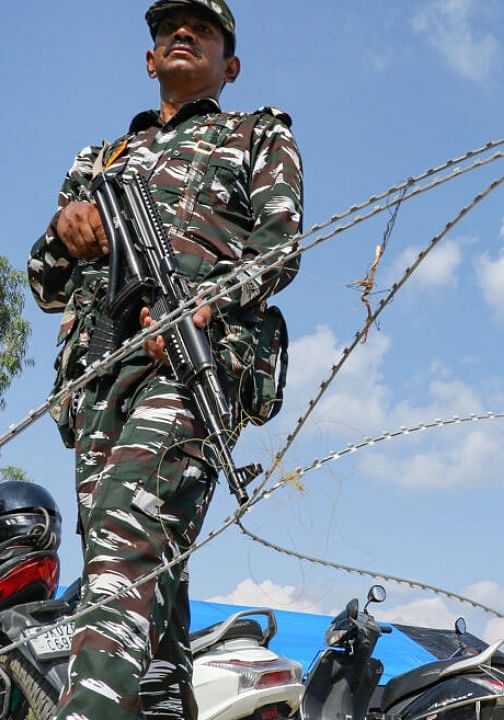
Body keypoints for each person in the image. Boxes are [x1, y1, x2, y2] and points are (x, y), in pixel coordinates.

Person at [27, 2, 302, 718]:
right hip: (98, 378)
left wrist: (203, 302)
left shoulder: (257, 134)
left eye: (202, 30)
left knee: (124, 541)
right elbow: (43, 284)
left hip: (190, 362)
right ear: (150, 60)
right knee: (146, 568)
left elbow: (281, 247)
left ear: (228, 64)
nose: (183, 35)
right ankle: (157, 702)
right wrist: (66, 229)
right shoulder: (101, 160)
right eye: (168, 29)